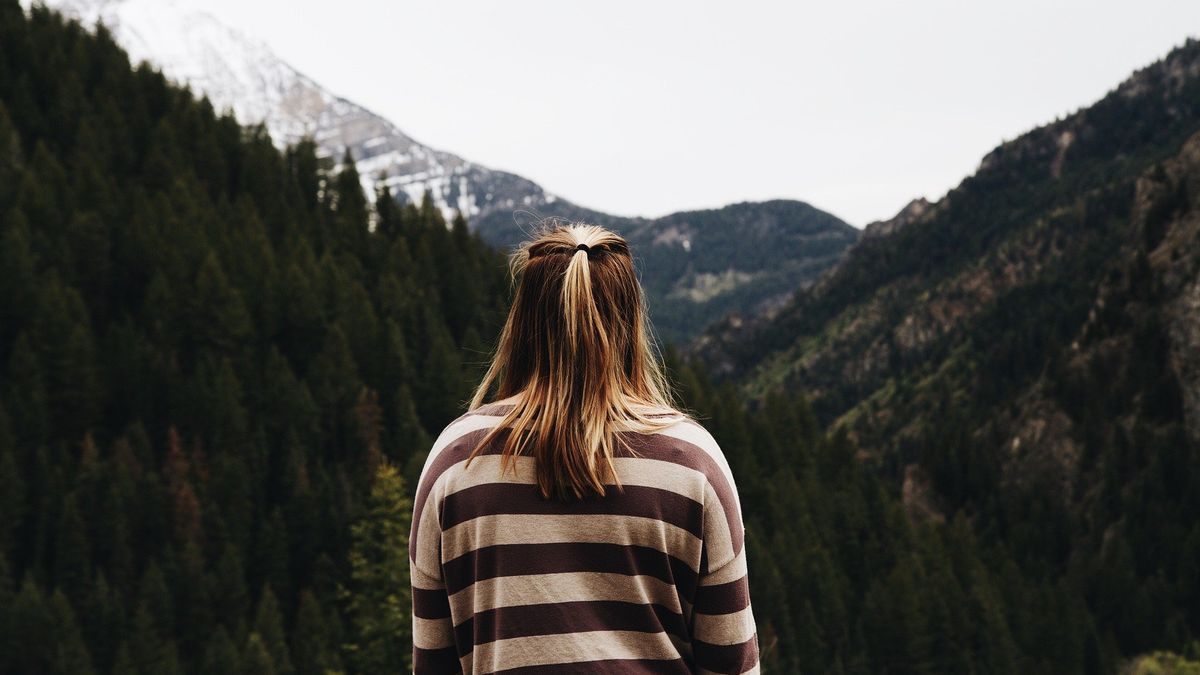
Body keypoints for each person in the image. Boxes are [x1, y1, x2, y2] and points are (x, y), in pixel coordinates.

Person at [408, 223, 760, 674]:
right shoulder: (691, 463)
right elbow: (731, 663)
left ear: (523, 322)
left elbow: (433, 662)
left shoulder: (456, 461)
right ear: (630, 321)